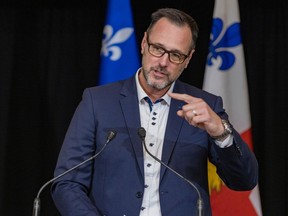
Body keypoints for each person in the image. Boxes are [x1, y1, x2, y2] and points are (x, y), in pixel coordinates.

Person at [51, 8, 258, 216]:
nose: (163, 62)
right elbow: (67, 183)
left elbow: (244, 180)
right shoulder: (97, 102)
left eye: (176, 55)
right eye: (157, 48)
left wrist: (220, 131)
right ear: (143, 43)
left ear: (188, 59)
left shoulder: (205, 107)